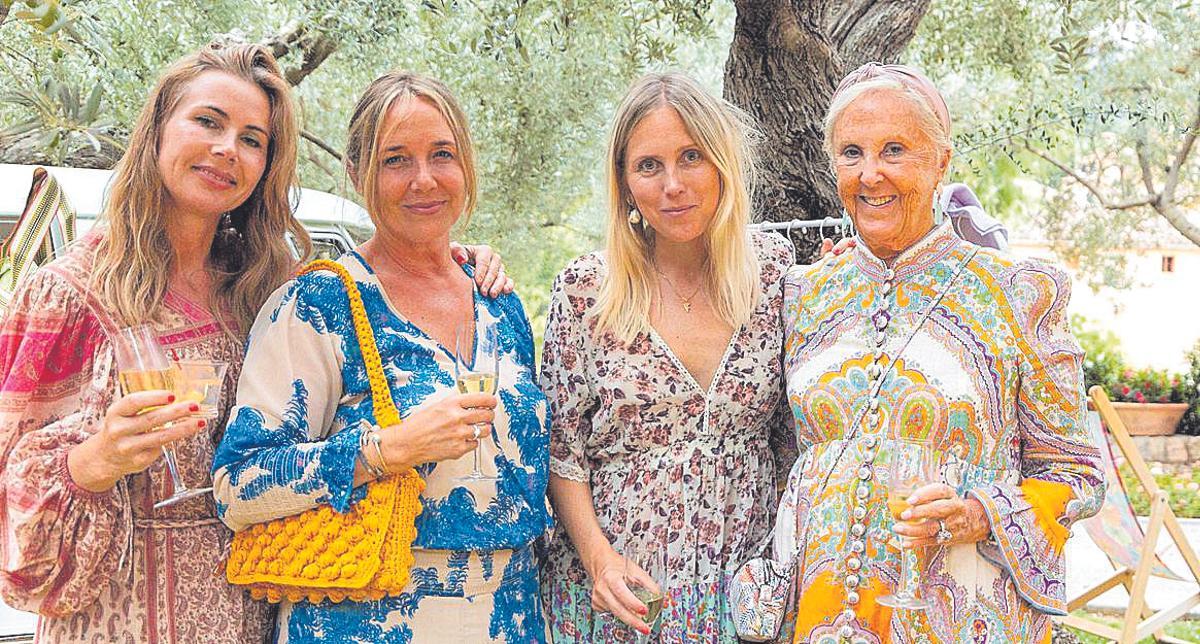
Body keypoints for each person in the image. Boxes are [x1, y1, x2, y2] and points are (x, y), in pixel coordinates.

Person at [0, 44, 508, 643]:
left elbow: (392, 271)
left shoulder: (265, 287)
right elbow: (9, 503)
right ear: (158, 128)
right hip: (124, 620)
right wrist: (97, 459)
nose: (227, 150)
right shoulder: (70, 293)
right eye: (208, 122)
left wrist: (450, 260)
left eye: (252, 139)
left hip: (253, 611)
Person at [211, 71, 551, 643]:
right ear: (357, 173)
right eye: (396, 160)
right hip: (364, 620)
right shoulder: (318, 305)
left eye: (441, 154)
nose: (424, 179)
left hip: (509, 620)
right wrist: (388, 449)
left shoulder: (499, 302)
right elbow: (237, 485)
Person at [773, 62, 1105, 642]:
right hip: (823, 616)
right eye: (851, 153)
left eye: (894, 150)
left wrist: (981, 515)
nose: (870, 174)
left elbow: (1076, 473)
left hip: (964, 616)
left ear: (941, 161)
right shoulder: (801, 294)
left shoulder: (1019, 292)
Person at [540, 72, 796, 641]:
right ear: (625, 183)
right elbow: (560, 450)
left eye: (691, 157)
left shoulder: (774, 272)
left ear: (722, 163)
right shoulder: (587, 290)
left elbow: (792, 433)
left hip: (744, 593)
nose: (672, 185)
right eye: (649, 166)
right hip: (622, 597)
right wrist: (600, 561)